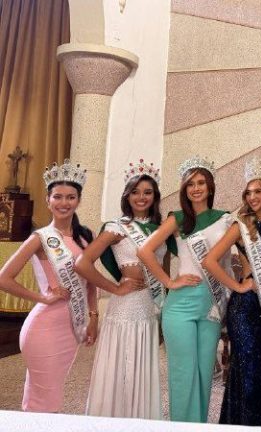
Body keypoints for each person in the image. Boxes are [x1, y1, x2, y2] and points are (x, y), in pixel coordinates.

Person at [137, 156, 234, 423]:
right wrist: (169, 282)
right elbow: (144, 251)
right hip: (181, 305)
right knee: (183, 372)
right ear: (184, 189)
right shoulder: (177, 219)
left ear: (210, 187)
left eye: (201, 182)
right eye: (190, 184)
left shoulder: (225, 219)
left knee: (204, 373)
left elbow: (230, 259)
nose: (196, 188)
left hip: (211, 303)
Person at [0, 159, 97, 412]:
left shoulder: (85, 237)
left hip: (71, 327)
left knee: (44, 395)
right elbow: (3, 278)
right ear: (48, 200)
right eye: (58, 197)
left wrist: (94, 317)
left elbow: (90, 282)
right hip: (43, 327)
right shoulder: (40, 238)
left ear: (78, 200)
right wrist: (41, 297)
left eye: (71, 197)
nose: (64, 203)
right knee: (45, 399)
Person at [74, 160, 167, 419]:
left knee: (142, 362)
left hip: (150, 303)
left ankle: (139, 419)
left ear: (155, 196)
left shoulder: (160, 229)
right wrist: (114, 288)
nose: (141, 197)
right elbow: (82, 263)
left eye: (147, 192)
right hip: (125, 305)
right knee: (121, 362)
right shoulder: (118, 227)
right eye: (135, 192)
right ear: (127, 195)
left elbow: (164, 269)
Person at [202, 159, 261, 426]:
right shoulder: (240, 226)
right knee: (248, 371)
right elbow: (209, 261)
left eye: (258, 191)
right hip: (245, 307)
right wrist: (239, 285)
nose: (252, 197)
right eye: (248, 193)